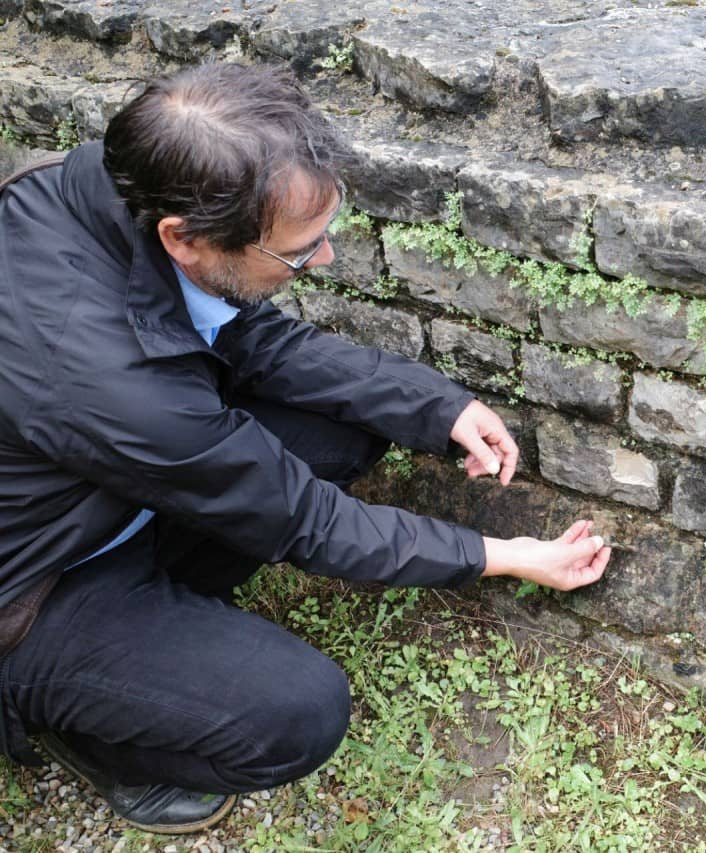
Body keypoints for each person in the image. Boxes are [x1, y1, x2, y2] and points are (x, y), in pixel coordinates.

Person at [0, 62, 610, 834]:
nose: (321, 261)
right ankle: (89, 727)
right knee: (298, 711)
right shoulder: (116, 386)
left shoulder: (105, 188)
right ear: (184, 239)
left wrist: (437, 405)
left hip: (101, 490)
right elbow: (304, 521)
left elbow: (250, 334)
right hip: (37, 585)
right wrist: (506, 554)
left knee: (346, 422)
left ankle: (162, 619)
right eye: (297, 253)